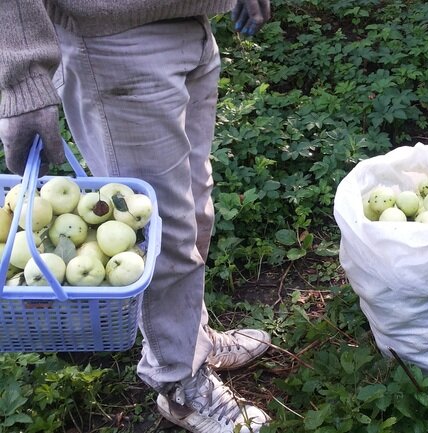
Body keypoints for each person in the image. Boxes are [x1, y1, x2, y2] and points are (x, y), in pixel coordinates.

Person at [0, 1, 273, 432]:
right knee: (163, 232)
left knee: (194, 208)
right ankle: (179, 383)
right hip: (116, 42)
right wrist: (23, 77)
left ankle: (190, 342)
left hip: (192, 23)